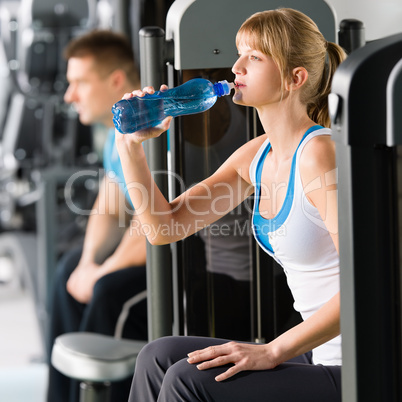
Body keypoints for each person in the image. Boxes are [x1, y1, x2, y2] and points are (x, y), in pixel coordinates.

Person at [116, 7, 347, 402]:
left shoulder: (319, 153)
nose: (236, 65)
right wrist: (130, 146)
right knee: (157, 356)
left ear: (296, 78)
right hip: (319, 356)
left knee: (187, 382)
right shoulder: (258, 156)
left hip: (360, 364)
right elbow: (163, 228)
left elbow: (368, 282)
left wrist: (272, 350)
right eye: (240, 53)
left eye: (254, 57)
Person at [46, 30, 147, 402]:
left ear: (116, 80)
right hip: (142, 247)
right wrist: (89, 262)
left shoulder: (151, 124)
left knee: (107, 292)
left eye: (80, 83)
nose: (70, 95)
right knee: (69, 269)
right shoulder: (114, 131)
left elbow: (150, 224)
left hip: (181, 264)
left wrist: (102, 273)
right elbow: (111, 204)